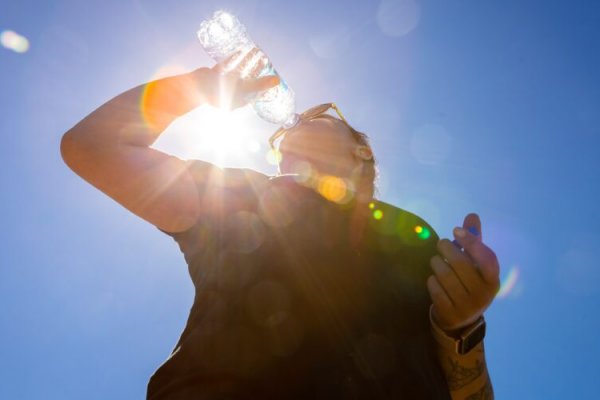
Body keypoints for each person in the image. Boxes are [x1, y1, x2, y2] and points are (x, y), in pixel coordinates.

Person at [61, 52, 500, 399]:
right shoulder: (243, 196)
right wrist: (195, 88)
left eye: (318, 116)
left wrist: (462, 325)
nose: (293, 126)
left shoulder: (411, 232)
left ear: (361, 151)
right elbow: (93, 147)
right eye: (278, 145)